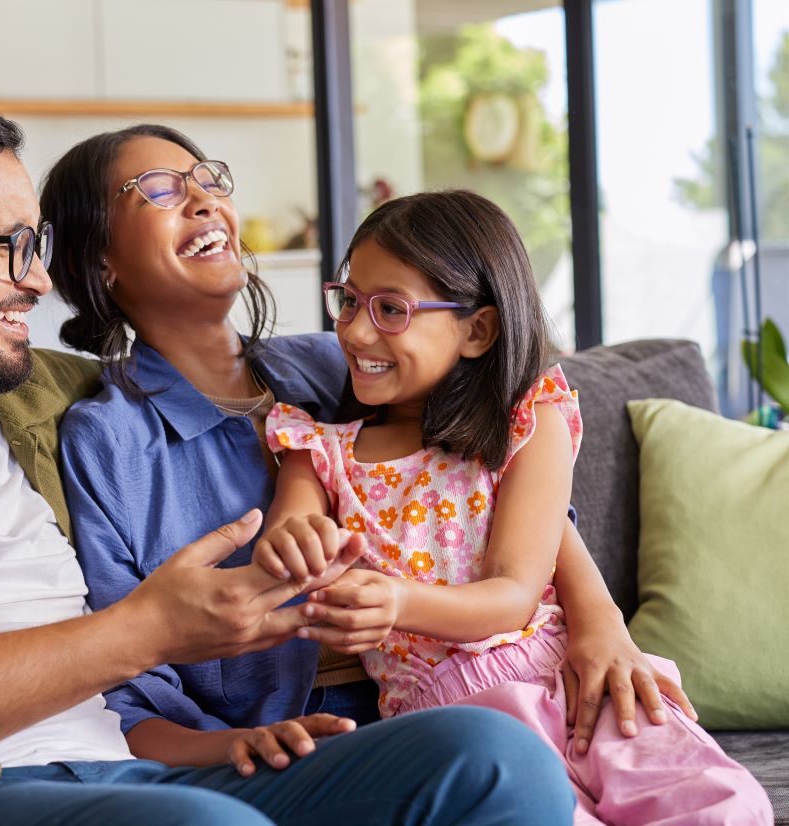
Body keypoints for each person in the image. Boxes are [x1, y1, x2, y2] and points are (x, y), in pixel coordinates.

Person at [0, 99, 575, 826]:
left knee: (493, 758)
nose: (40, 279)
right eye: (9, 249)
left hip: (141, 776)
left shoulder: (57, 395)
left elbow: (485, 442)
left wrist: (595, 616)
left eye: (38, 245)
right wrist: (146, 631)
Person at [43, 124, 694, 774]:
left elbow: (504, 481)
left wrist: (601, 620)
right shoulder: (109, 439)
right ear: (98, 260)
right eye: (158, 190)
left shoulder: (343, 362)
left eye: (210, 180)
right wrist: (226, 747)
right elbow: (118, 682)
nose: (206, 200)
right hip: (307, 748)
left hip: (488, 686)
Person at [253, 190, 774, 824]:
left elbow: (514, 593)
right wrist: (292, 545)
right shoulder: (321, 451)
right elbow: (290, 531)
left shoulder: (527, 424)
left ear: (478, 330)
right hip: (449, 725)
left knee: (721, 806)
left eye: (392, 309)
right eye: (350, 300)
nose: (357, 330)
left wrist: (398, 603)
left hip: (571, 680)